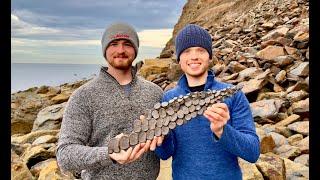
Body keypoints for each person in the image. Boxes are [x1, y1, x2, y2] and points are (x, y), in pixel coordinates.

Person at [56, 22, 164, 180]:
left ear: (135, 49)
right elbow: (65, 155)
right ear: (105, 50)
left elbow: (167, 144)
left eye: (127, 44)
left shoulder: (155, 92)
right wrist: (109, 153)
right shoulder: (83, 96)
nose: (120, 50)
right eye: (114, 44)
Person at [155, 24, 260, 179]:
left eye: (201, 50)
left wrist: (222, 131)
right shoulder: (169, 99)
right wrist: (160, 136)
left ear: (210, 56)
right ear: (179, 59)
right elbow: (165, 154)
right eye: (186, 51)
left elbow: (252, 152)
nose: (194, 56)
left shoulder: (233, 95)